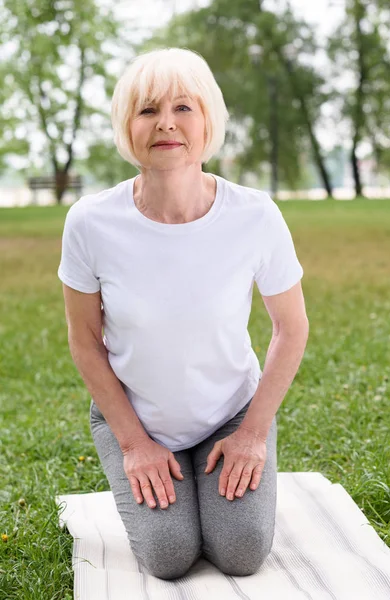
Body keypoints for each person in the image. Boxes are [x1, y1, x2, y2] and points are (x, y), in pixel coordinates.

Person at [57, 47, 309, 580]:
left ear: (208, 120)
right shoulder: (90, 222)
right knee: (169, 555)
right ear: (128, 126)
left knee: (240, 552)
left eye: (183, 108)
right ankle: (161, 478)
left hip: (231, 415)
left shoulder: (256, 215)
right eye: (147, 110)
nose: (165, 123)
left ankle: (210, 479)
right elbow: (84, 340)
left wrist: (253, 433)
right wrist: (133, 443)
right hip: (137, 417)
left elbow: (292, 328)